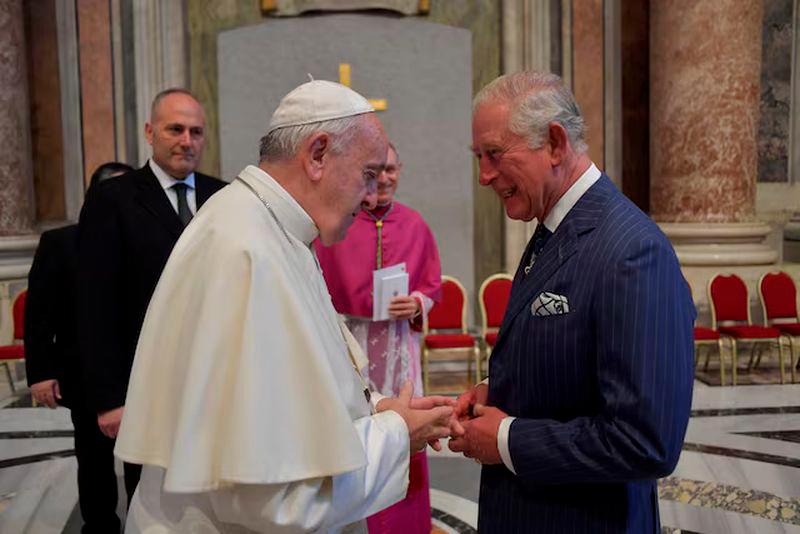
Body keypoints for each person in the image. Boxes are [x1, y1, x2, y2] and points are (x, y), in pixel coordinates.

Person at [114, 79, 454, 533]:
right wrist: (396, 435)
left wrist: (375, 409)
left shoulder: (272, 229)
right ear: (317, 155)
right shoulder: (248, 251)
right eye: (367, 174)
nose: (371, 196)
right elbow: (279, 500)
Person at [449, 71, 695, 533]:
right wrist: (498, 391)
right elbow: (571, 358)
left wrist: (505, 438)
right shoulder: (553, 228)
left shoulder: (632, 251)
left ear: (556, 144)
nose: (483, 175)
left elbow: (645, 441)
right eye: (479, 157)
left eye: (495, 155)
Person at [77, 89, 226, 504]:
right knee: (154, 501)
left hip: (214, 377)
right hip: (145, 380)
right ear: (149, 132)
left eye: (196, 131)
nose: (186, 140)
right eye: (175, 129)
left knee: (216, 494)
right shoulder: (113, 199)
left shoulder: (225, 196)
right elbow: (95, 304)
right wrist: (109, 398)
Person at [314, 142, 441, 534]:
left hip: (398, 345)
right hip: (352, 341)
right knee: (358, 425)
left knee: (406, 425)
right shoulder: (339, 222)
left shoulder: (415, 223)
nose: (385, 178)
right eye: (377, 170)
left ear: (400, 170)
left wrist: (418, 304)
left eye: (391, 169)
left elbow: (432, 285)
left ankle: (405, 523)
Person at [25, 161, 133, 533]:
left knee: (143, 462)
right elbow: (39, 314)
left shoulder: (146, 239)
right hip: (84, 372)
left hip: (140, 370)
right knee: (94, 459)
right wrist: (40, 373)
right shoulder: (61, 242)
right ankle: (100, 526)